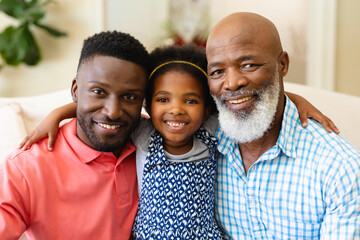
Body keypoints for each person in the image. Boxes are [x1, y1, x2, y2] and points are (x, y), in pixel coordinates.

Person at [19, 43, 339, 239]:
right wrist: (58, 114)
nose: (176, 110)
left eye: (190, 101)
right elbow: (109, 109)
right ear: (147, 105)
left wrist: (295, 98)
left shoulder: (213, 130)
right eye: (163, 99)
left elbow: (254, 99)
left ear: (205, 107)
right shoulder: (143, 133)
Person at [206, 12, 360, 239]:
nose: (231, 83)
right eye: (218, 72)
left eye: (248, 65)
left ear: (283, 64)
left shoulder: (339, 167)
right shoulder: (200, 142)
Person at [0, 30, 151, 239]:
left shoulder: (153, 144)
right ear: (75, 90)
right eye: (99, 92)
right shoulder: (25, 168)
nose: (113, 111)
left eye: (129, 97)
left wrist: (60, 112)